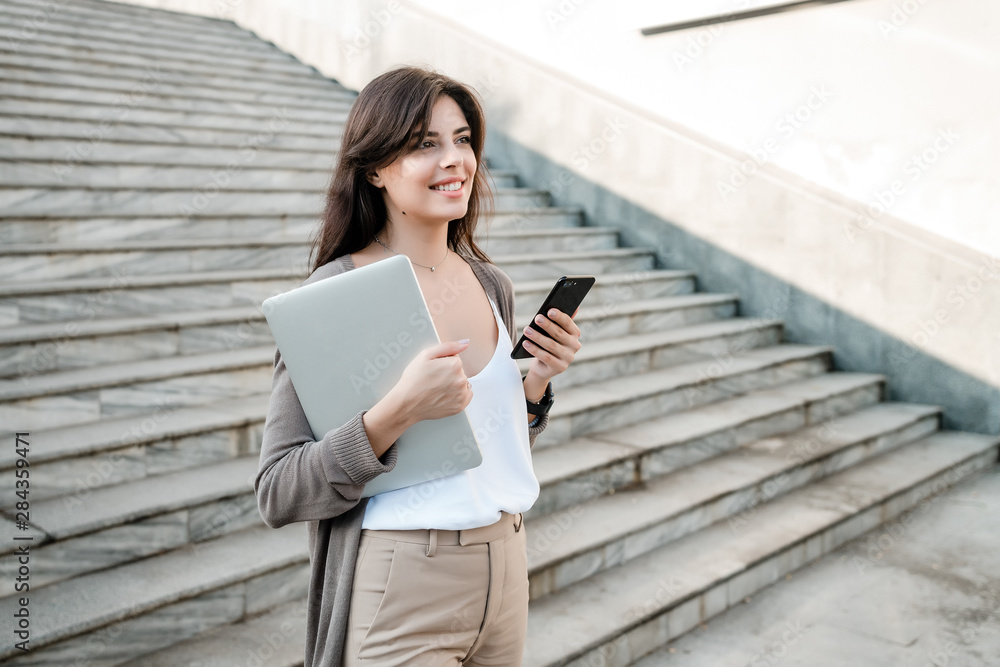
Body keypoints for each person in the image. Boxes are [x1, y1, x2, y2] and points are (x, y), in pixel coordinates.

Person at [254, 65, 583, 666]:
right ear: (376, 167)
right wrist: (396, 412)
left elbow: (482, 447)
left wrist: (533, 388)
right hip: (403, 577)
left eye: (462, 140)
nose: (454, 159)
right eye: (425, 144)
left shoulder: (491, 285)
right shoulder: (334, 294)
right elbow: (278, 489)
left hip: (506, 566)